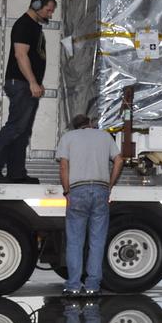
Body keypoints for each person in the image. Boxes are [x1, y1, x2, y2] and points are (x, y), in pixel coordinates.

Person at [0, 0, 57, 183]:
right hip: (21, 84)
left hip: (26, 84)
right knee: (15, 128)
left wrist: (36, 82)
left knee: (22, 131)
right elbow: (20, 55)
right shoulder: (24, 25)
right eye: (48, 10)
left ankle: (16, 173)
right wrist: (32, 81)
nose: (50, 14)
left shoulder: (34, 26)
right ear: (37, 5)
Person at [55, 113, 124, 296]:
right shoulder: (104, 136)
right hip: (101, 190)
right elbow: (119, 160)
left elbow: (63, 166)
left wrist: (67, 191)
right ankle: (93, 286)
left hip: (77, 191)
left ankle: (73, 287)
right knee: (97, 241)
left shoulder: (68, 138)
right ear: (91, 123)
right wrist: (110, 185)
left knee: (75, 242)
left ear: (74, 126)